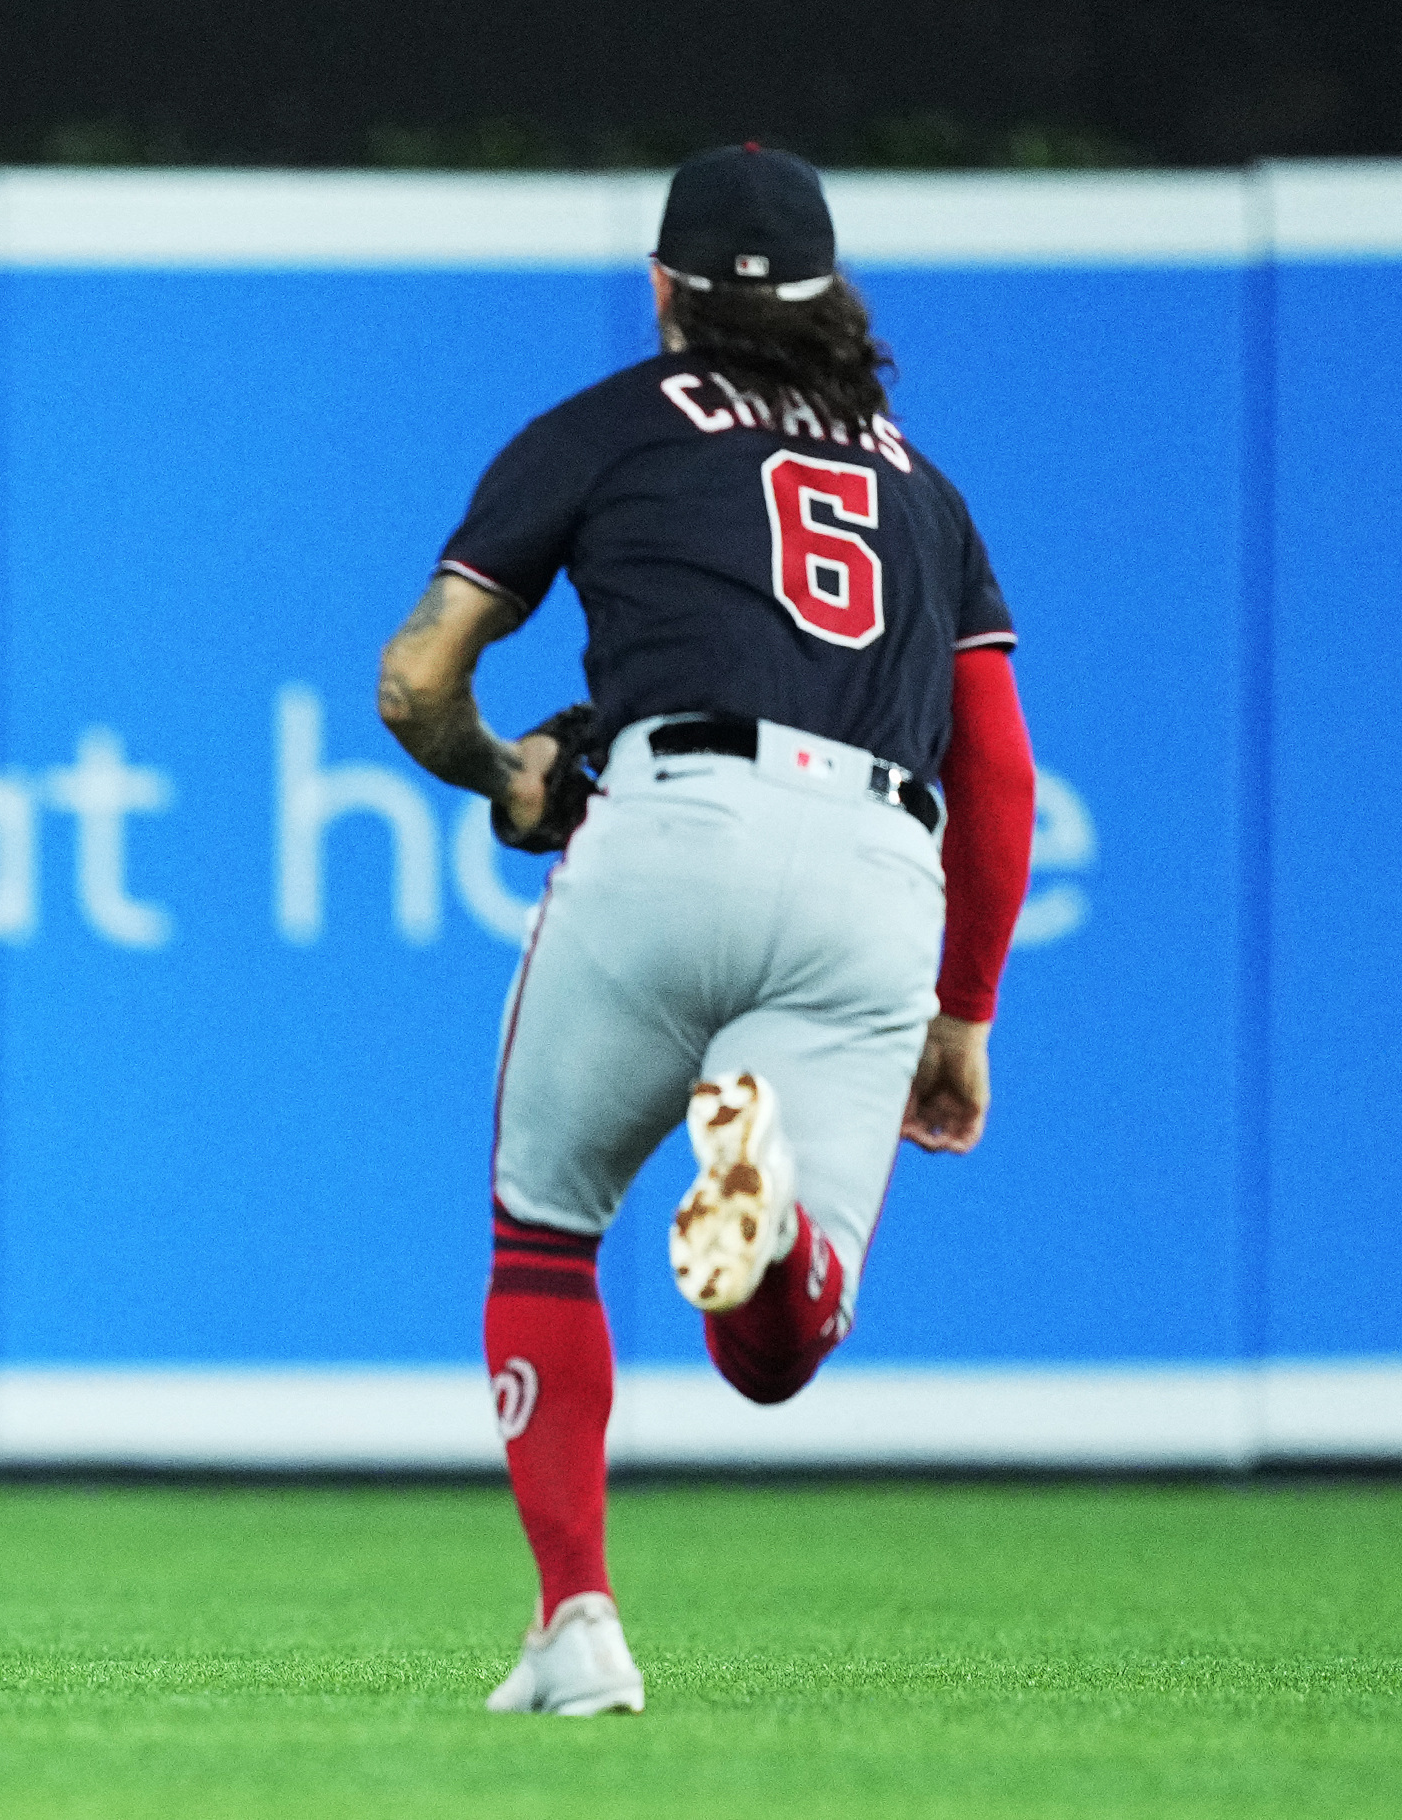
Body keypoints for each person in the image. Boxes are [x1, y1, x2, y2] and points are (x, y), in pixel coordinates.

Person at [376, 144, 1039, 1715]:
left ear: (665, 289)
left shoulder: (610, 425)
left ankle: (577, 1622)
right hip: (877, 861)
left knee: (545, 1228)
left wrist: (507, 769)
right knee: (778, 1357)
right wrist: (966, 1012)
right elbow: (998, 770)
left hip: (667, 820)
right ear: (834, 302)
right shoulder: (921, 487)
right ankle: (770, 1238)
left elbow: (416, 679)